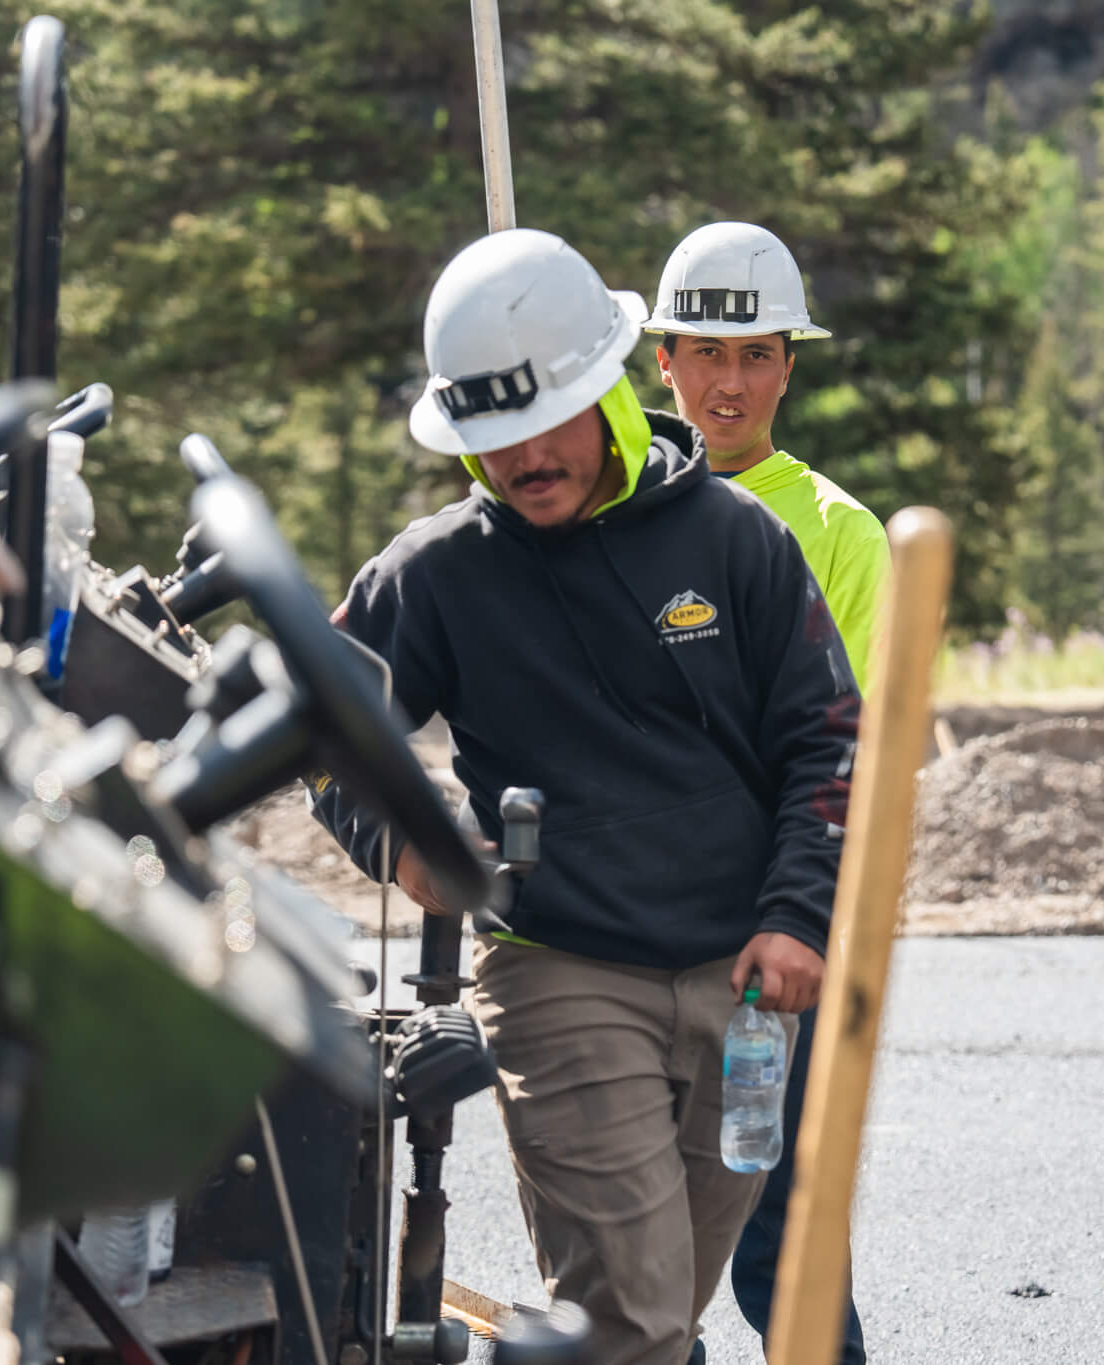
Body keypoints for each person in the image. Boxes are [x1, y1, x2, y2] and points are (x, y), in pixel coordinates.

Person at [308, 226, 860, 1365]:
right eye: (491, 437)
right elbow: (320, 734)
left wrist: (795, 914)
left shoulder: (739, 540)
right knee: (635, 1321)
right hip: (557, 971)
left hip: (743, 990)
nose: (522, 460)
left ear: (606, 388)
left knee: (667, 1311)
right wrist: (400, 845)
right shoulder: (434, 573)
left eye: (543, 422)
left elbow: (828, 737)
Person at [648, 221, 883, 1365]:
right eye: (702, 352)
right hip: (630, 921)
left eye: (752, 356)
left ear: (789, 363)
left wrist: (808, 920)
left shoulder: (842, 533)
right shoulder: (613, 513)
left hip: (770, 936)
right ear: (662, 363)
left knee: (772, 1228)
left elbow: (854, 758)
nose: (726, 383)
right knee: (641, 1240)